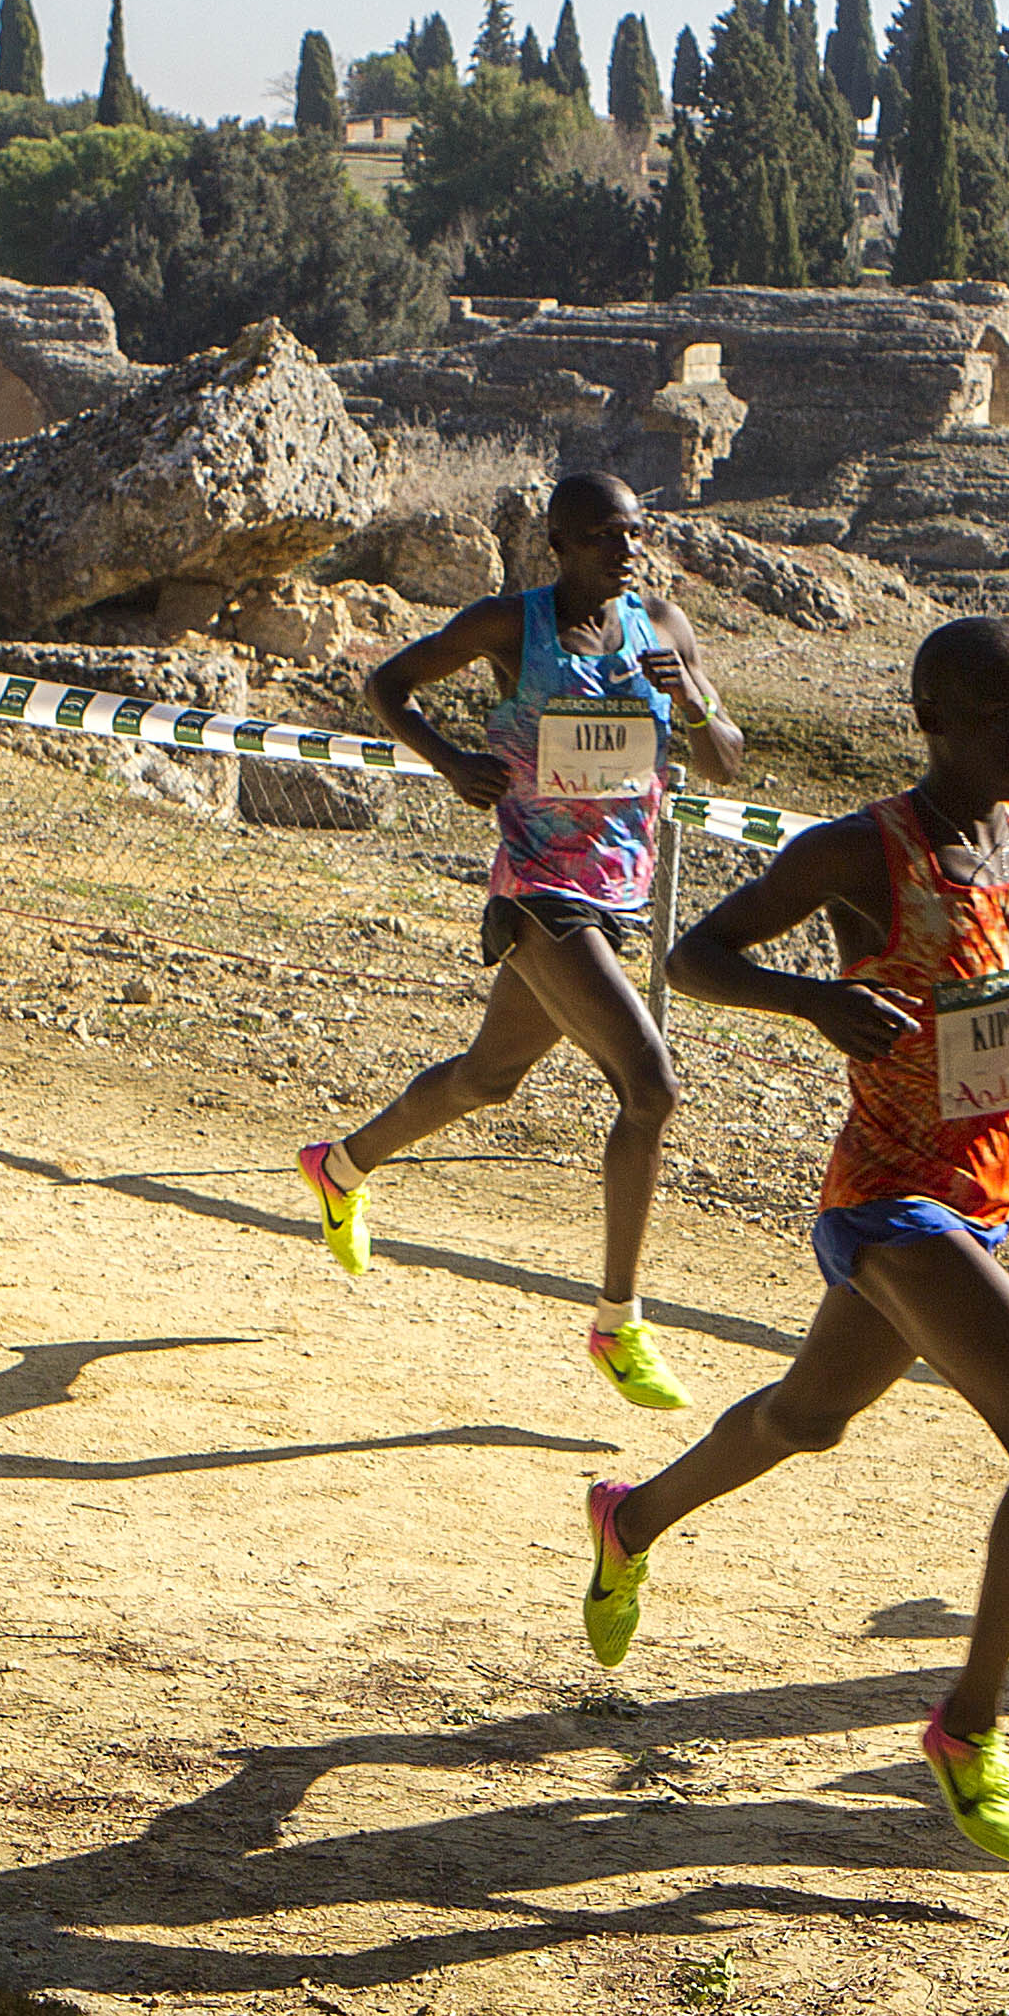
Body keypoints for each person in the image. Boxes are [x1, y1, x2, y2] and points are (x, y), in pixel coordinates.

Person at [577, 618, 1009, 1870]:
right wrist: (816, 999)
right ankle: (967, 1726)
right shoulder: (859, 850)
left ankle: (630, 1519)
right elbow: (697, 953)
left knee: (804, 1418)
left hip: (985, 1197)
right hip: (890, 1201)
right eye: (1007, 717)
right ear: (934, 722)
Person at [292, 474, 745, 1411]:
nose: (628, 552)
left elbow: (725, 761)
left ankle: (340, 1167)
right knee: (650, 1083)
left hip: (618, 896)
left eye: (635, 534)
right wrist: (452, 759)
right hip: (539, 892)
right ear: (561, 543)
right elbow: (389, 683)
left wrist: (691, 694)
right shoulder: (511, 626)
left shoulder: (661, 627)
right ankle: (617, 1323)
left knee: (486, 1080)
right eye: (607, 537)